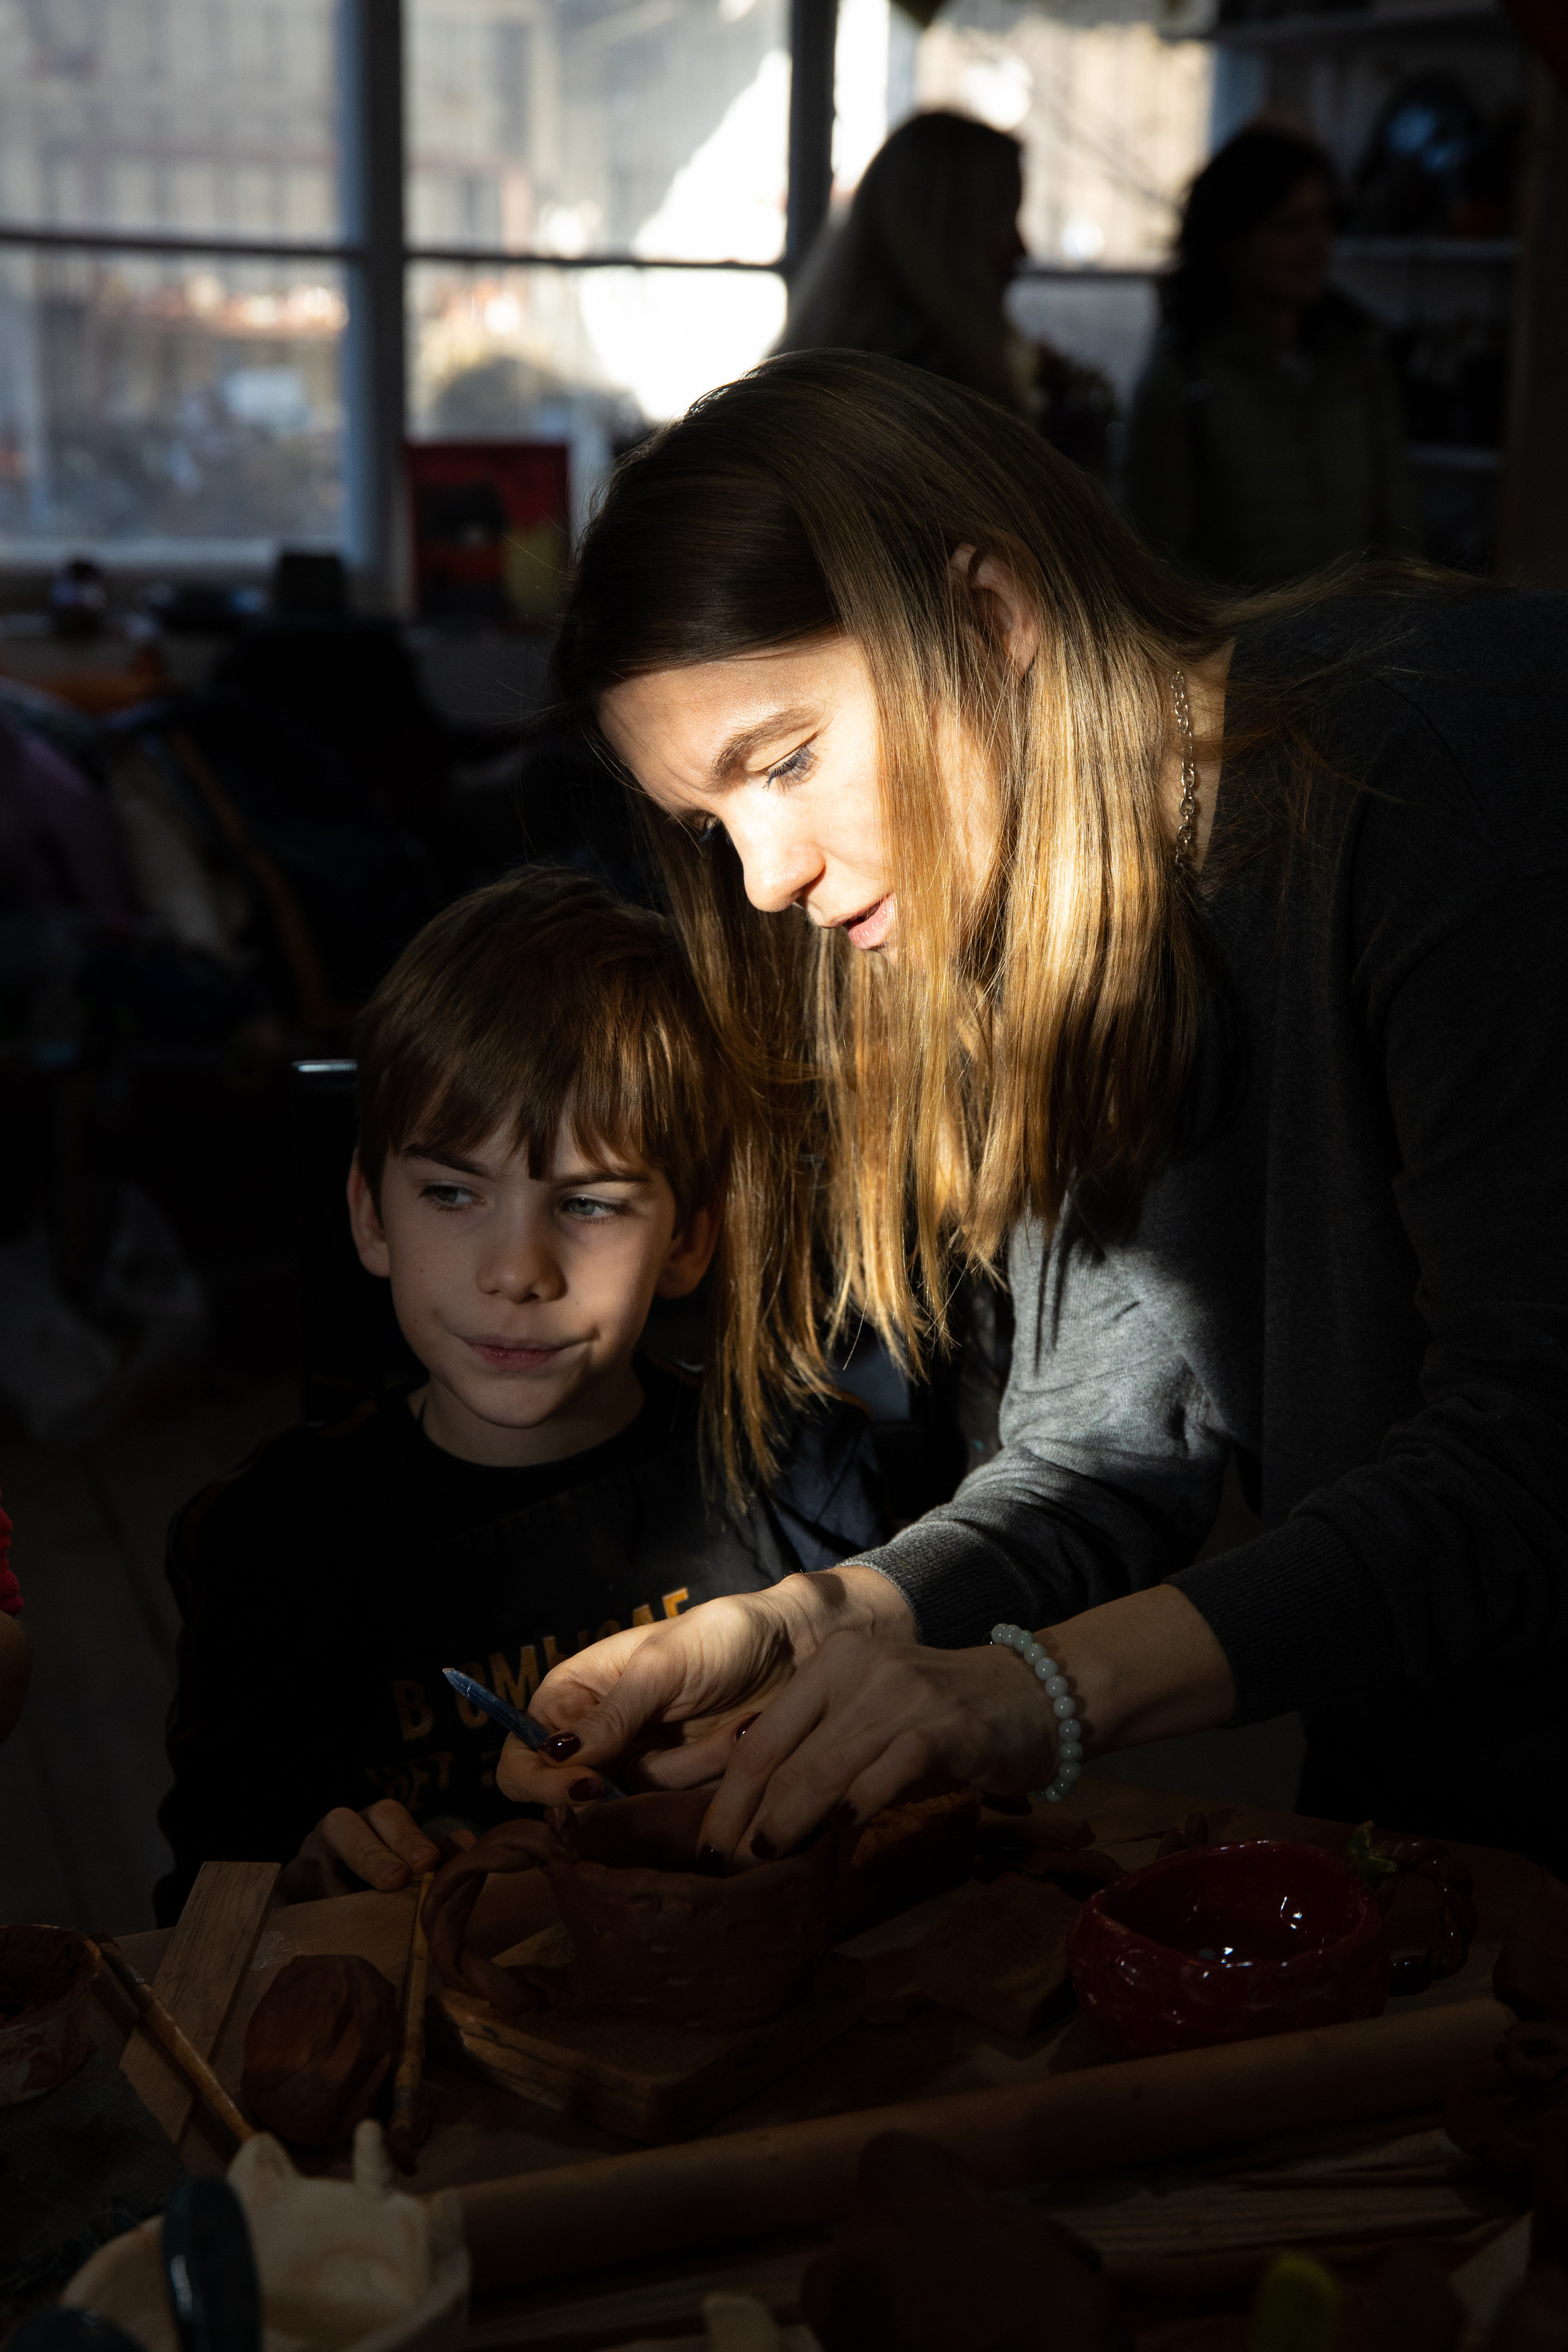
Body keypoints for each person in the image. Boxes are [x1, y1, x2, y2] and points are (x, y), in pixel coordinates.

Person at [476, 347, 1566, 1887]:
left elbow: (1532, 1456)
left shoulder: (1452, 762)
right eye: (709, 824)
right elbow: (1096, 1460)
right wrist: (795, 1627)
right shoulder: (1041, 932)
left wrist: (1029, 1695)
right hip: (1427, 1798)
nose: (763, 878)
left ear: (988, 615)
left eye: (783, 760)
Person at [154, 868, 888, 1922]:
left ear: (687, 1237)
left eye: (587, 1205)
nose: (517, 1272)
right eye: (453, 1193)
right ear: (371, 1215)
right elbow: (200, 1909)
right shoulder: (268, 1547)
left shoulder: (807, 1481)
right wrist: (298, 1891)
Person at [1125, 124, 1417, 589]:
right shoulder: (1185, 380)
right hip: (1247, 651)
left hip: (1359, 645)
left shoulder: (1359, 365)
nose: (1317, 246)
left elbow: (1398, 531)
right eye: (1291, 227)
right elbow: (1157, 558)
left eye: (1325, 223)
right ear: (1233, 241)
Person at [777, 111, 1113, 474]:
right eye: (1004, 219)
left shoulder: (849, 367)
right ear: (947, 236)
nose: (1022, 249)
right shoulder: (922, 397)